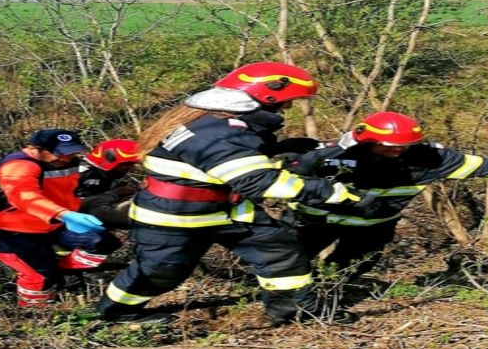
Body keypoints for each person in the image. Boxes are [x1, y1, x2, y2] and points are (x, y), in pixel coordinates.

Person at [96, 61, 361, 326]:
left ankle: (293, 309)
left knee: (280, 251)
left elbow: (231, 162)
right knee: (161, 272)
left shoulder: (217, 123)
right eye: (286, 102)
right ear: (266, 96)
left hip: (229, 211)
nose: (288, 108)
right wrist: (328, 191)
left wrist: (283, 149)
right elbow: (259, 181)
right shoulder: (219, 133)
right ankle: (117, 313)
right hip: (174, 217)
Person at [285, 111, 488, 278]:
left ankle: (329, 300)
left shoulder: (434, 159)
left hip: (371, 228)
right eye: (388, 147)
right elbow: (269, 178)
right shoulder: (326, 155)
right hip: (313, 222)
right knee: (286, 264)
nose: (396, 152)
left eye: (403, 147)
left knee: (349, 269)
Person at [0, 129, 106, 307]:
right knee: (39, 276)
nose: (67, 157)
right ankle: (35, 312)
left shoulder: (68, 162)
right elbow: (23, 196)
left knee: (101, 243)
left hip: (50, 222)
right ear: (36, 149)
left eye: (72, 152)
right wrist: (64, 214)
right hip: (6, 228)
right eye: (60, 153)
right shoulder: (18, 166)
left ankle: (62, 272)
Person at [68, 138, 142, 267]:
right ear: (109, 159)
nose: (130, 168)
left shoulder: (107, 174)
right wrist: (117, 193)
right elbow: (83, 205)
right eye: (127, 164)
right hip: (72, 219)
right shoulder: (83, 174)